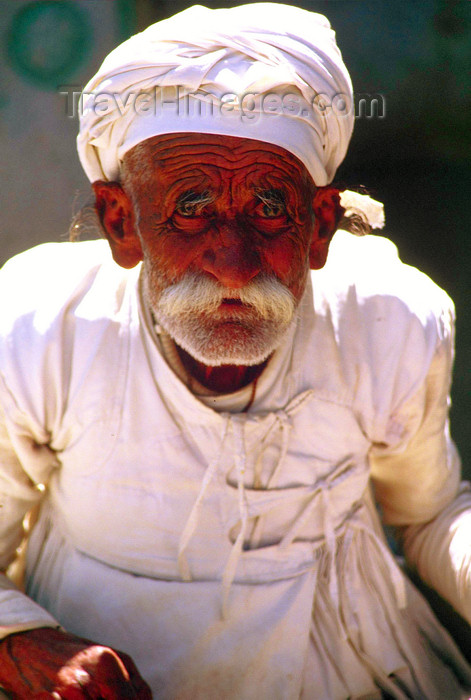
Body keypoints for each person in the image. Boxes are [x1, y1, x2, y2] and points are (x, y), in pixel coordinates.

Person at [0, 3, 470, 698]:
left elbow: (428, 513)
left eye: (268, 208)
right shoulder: (38, 325)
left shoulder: (387, 320)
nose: (232, 262)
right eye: (190, 208)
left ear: (318, 226)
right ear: (121, 224)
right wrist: (24, 644)